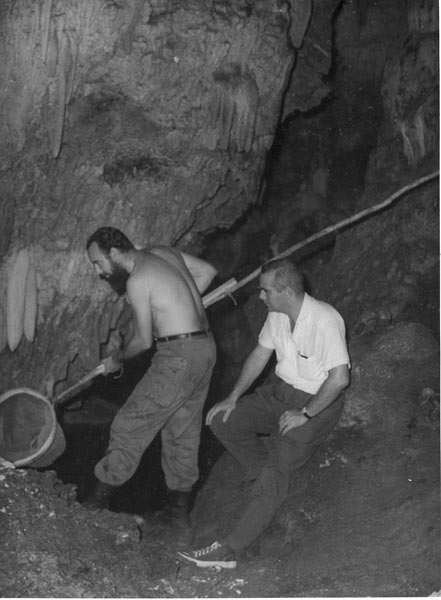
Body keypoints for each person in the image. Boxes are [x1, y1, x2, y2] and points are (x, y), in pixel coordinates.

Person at [178, 257, 350, 568]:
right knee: (221, 420)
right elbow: (259, 356)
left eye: (265, 291)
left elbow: (340, 378)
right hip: (278, 394)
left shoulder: (325, 319)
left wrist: (306, 414)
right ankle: (265, 474)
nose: (260, 296)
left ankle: (229, 551)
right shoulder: (277, 314)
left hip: (315, 403)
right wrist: (232, 397)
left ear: (284, 291)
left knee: (276, 470)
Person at [83, 227, 217, 529]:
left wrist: (116, 361)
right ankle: (177, 515)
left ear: (115, 254)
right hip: (204, 348)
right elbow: (208, 272)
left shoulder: (138, 280)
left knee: (130, 424)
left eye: (97, 262)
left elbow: (143, 342)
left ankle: (94, 504)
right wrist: (179, 308)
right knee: (182, 430)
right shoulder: (162, 251)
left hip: (178, 357)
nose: (98, 271)